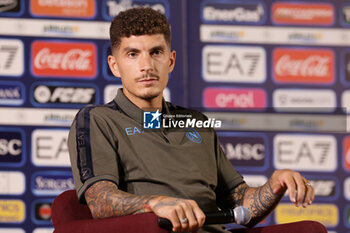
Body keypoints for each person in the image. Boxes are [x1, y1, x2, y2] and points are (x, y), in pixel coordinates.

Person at [68, 7, 314, 233]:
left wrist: (275, 183)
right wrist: (155, 203)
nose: (146, 66)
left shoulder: (196, 122)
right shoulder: (98, 120)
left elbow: (242, 204)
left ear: (171, 60)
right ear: (115, 65)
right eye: (133, 54)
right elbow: (100, 201)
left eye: (156, 52)